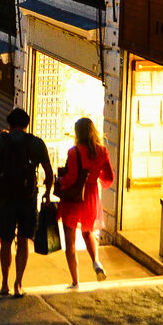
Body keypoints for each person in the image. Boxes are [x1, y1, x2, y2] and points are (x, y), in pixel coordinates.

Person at [0, 107, 53, 298]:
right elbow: (49, 173)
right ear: (27, 124)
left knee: (5, 242)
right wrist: (47, 193)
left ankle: (4, 284)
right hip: (28, 199)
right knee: (23, 240)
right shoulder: (36, 143)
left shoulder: (0, 141)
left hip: (6, 198)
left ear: (9, 123)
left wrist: (0, 168)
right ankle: (19, 284)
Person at [56, 117, 115, 288]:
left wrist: (60, 180)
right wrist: (94, 178)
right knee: (88, 232)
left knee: (70, 241)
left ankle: (75, 281)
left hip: (74, 199)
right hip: (91, 197)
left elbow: (72, 178)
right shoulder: (102, 152)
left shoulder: (74, 152)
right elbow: (109, 177)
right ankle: (96, 262)